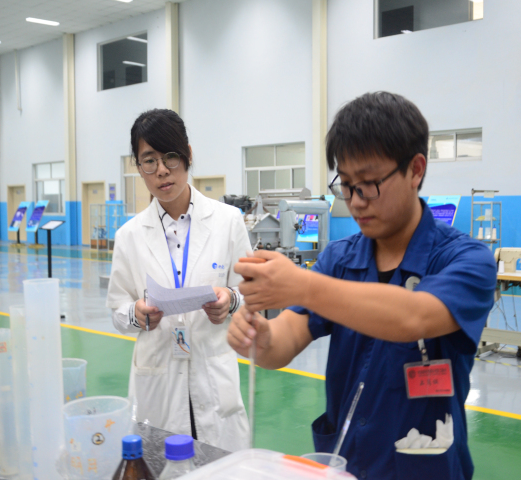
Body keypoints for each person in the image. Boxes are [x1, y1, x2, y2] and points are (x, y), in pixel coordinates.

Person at [227, 92, 497, 479]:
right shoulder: (340, 260)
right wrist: (261, 338)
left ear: (415, 170)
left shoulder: (466, 260)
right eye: (346, 184)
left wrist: (301, 284)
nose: (354, 202)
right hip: (347, 465)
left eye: (368, 184)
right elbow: (287, 337)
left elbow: (414, 317)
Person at [107, 108, 250, 451]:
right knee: (162, 463)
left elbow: (251, 291)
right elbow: (117, 310)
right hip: (158, 377)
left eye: (170, 157)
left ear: (187, 155)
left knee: (222, 465)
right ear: (138, 167)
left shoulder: (228, 221)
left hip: (213, 373)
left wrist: (230, 300)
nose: (161, 170)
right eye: (149, 161)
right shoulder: (128, 236)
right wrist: (136, 314)